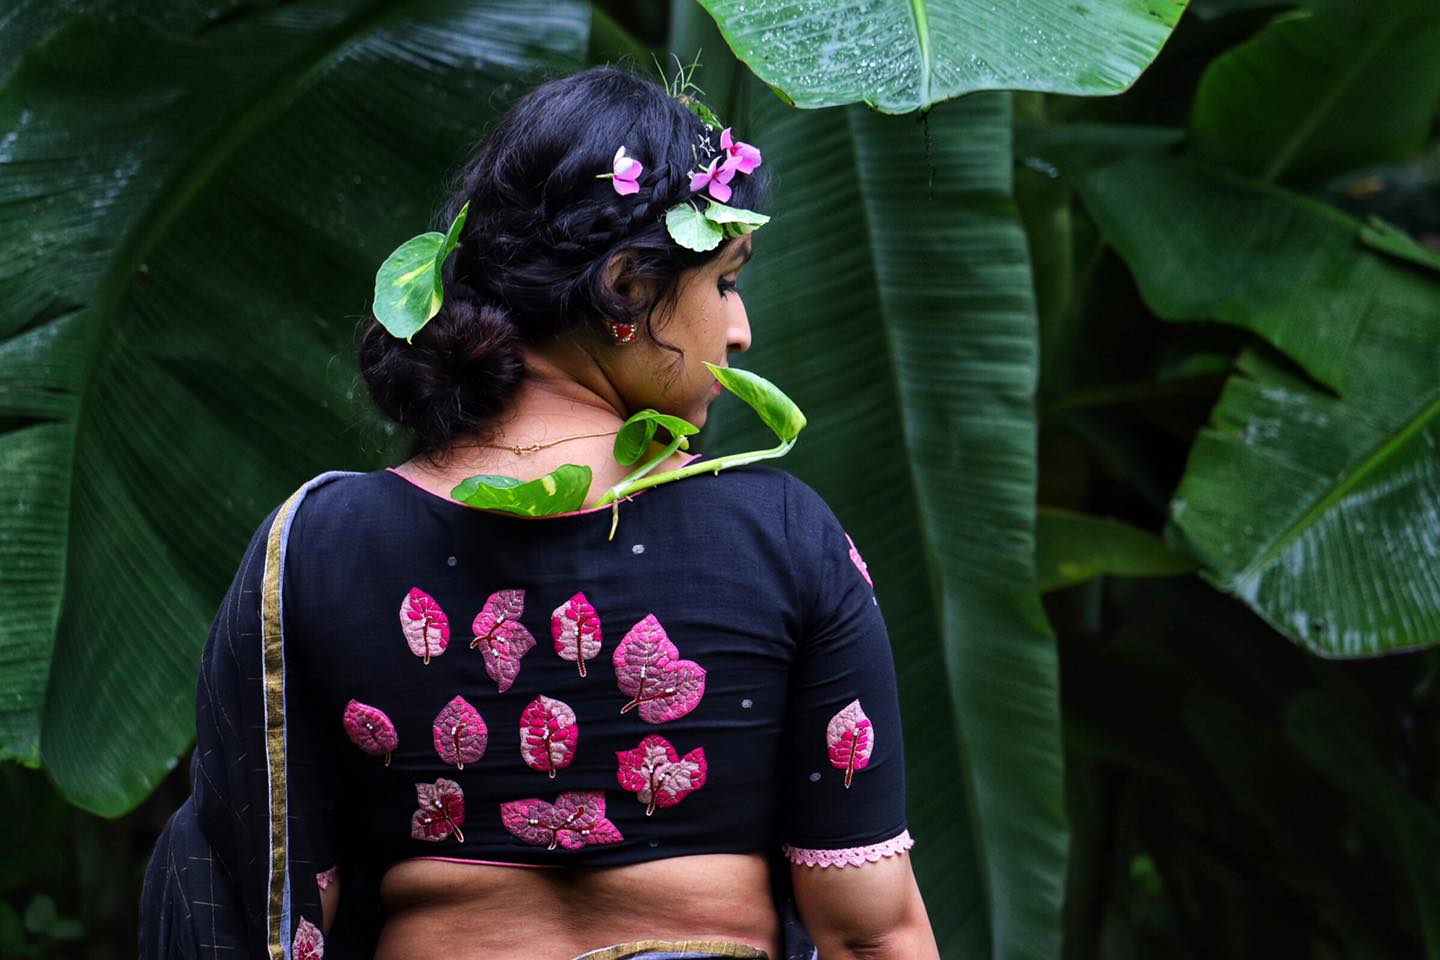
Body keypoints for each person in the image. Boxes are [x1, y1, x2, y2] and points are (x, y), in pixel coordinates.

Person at [140, 63, 939, 960]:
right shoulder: (782, 537)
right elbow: (871, 935)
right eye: (723, 282)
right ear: (628, 288)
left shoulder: (320, 545)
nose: (740, 328)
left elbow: (276, 914)